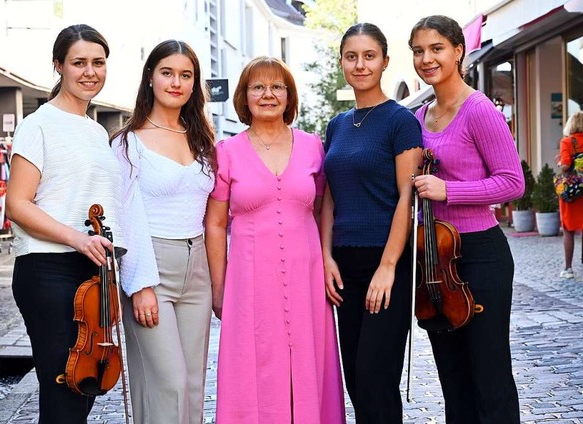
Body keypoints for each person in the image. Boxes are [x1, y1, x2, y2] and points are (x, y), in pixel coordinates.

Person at [205, 56, 345, 423]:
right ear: (244, 97)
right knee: (252, 366)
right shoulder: (227, 152)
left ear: (289, 95)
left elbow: (321, 209)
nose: (268, 94)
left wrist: (327, 258)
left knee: (308, 360)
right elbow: (216, 225)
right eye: (258, 87)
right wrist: (219, 289)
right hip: (248, 281)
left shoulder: (314, 146)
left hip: (307, 276)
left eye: (277, 87)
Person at [6, 24, 124, 423]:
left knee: (86, 388)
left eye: (98, 62)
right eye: (79, 63)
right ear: (59, 66)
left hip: (90, 272)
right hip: (48, 269)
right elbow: (17, 204)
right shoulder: (37, 124)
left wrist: (109, 278)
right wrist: (76, 238)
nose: (90, 71)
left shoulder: (95, 131)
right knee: (63, 394)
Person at [409, 15, 524, 423]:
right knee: (452, 379)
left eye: (437, 48)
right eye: (419, 50)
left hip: (480, 256)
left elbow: (512, 183)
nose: (427, 58)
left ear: (459, 51)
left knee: (490, 375)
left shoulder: (479, 110)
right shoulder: (420, 117)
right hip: (434, 258)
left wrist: (448, 190)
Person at [320, 23, 422, 423]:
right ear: (342, 62)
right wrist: (325, 255)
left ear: (383, 61)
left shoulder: (401, 121)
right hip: (343, 266)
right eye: (351, 56)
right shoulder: (337, 125)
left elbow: (406, 198)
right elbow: (330, 195)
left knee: (376, 379)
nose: (360, 64)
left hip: (386, 262)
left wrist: (389, 266)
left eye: (369, 56)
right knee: (356, 383)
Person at [110, 40, 215, 424]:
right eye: (167, 73)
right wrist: (140, 285)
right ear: (150, 77)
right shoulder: (127, 144)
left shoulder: (202, 139)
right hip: (152, 265)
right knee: (166, 383)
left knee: (191, 384)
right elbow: (123, 218)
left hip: (197, 266)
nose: (176, 82)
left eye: (185, 75)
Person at [558, 111, 583, 279]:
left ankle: (568, 268)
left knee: (569, 230)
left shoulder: (567, 141)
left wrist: (560, 162)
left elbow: (566, 165)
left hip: (573, 192)